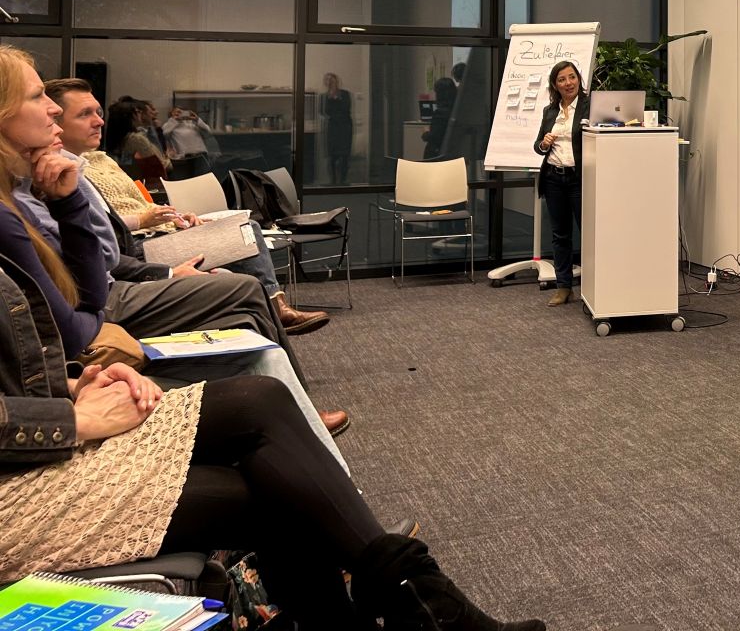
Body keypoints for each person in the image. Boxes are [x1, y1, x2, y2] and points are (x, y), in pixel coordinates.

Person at [0, 266, 544, 630]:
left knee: (262, 402)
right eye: (36, 103)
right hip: (19, 484)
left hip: (38, 443)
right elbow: (86, 310)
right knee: (279, 489)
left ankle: (408, 599)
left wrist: (77, 382)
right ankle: (420, 602)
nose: (54, 124)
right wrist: (73, 419)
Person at [46, 78, 330, 336]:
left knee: (243, 226)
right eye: (85, 114)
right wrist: (145, 220)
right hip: (139, 248)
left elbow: (126, 211)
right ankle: (276, 309)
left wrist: (174, 218)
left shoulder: (96, 160)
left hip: (151, 234)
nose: (99, 121)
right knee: (245, 231)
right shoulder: (62, 173)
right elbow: (109, 231)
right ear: (55, 121)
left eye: (98, 113)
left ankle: (274, 307)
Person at [533, 60, 589, 307]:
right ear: (555, 85)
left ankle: (594, 287)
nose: (568, 83)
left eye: (572, 77)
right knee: (560, 235)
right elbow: (538, 147)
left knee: (589, 233)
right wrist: (544, 143)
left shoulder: (590, 107)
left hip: (579, 178)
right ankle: (564, 287)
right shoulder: (550, 111)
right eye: (562, 79)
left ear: (578, 79)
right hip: (554, 178)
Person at [104, 97, 168, 175]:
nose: (140, 114)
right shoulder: (136, 139)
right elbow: (161, 164)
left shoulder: (121, 137)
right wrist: (167, 161)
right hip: (142, 179)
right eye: (138, 112)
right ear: (131, 116)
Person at [319, 72, 353, 185]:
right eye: (327, 80)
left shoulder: (345, 94)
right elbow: (322, 111)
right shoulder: (324, 97)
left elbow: (346, 108)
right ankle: (332, 181)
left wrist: (336, 98)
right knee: (332, 156)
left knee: (344, 156)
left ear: (336, 81)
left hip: (345, 127)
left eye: (332, 80)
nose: (329, 82)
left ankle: (343, 181)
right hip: (332, 128)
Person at [423, 76, 458, 159]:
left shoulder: (440, 114)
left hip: (436, 155)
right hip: (452, 155)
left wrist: (425, 133)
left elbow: (434, 137)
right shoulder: (456, 112)